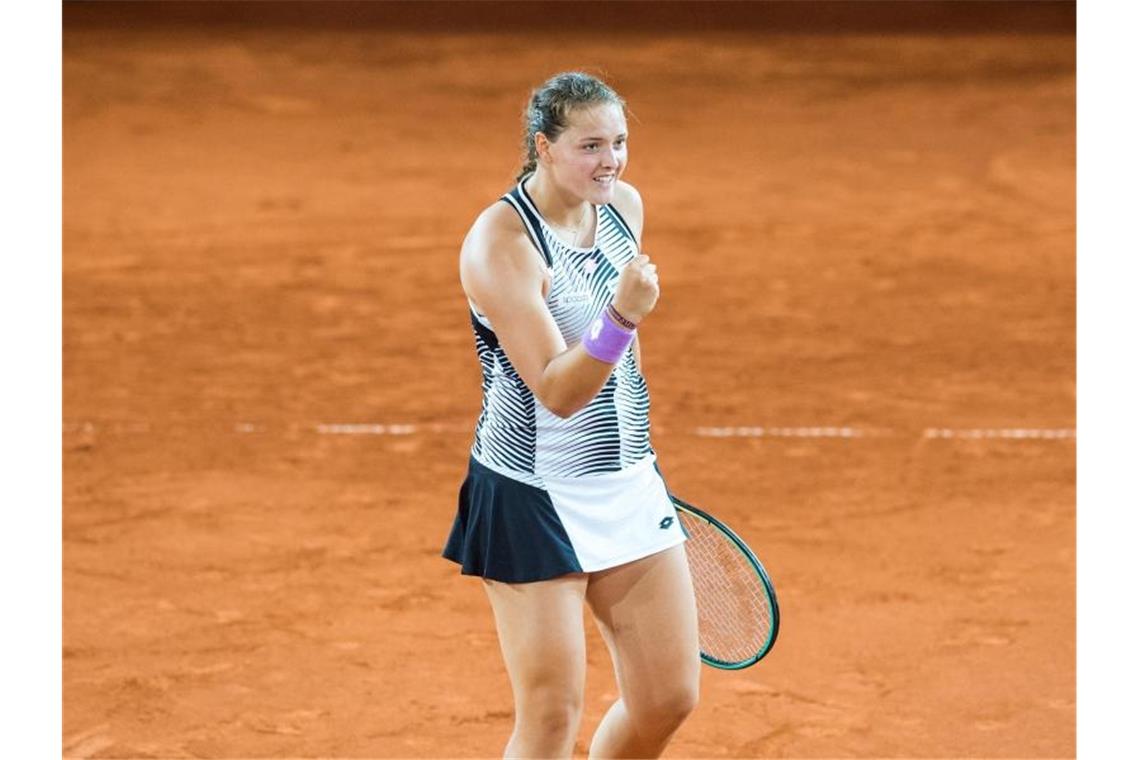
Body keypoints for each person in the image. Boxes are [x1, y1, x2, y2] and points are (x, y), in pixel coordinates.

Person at [443, 71, 700, 759]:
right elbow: (556, 392)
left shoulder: (623, 209)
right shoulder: (502, 244)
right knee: (552, 717)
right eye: (590, 146)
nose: (609, 161)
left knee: (667, 698)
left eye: (618, 143)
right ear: (544, 148)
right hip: (532, 494)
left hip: (623, 480)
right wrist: (622, 316)